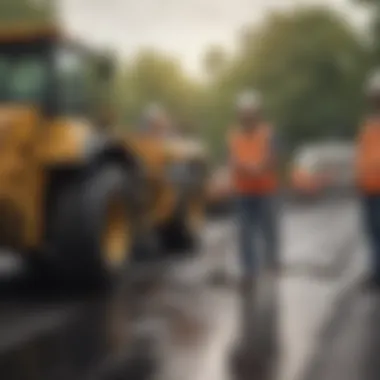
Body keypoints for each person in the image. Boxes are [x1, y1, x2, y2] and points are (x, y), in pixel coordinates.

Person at [228, 90, 280, 286]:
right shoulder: (234, 135)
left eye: (250, 112)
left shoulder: (267, 133)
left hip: (265, 190)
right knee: (245, 233)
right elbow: (233, 159)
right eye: (244, 112)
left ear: (257, 113)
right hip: (243, 192)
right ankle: (249, 271)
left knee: (268, 230)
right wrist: (246, 167)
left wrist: (258, 167)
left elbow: (272, 158)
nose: (247, 116)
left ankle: (271, 265)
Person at [356, 70, 380, 289]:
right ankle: (375, 272)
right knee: (372, 232)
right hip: (368, 188)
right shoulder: (367, 125)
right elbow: (362, 155)